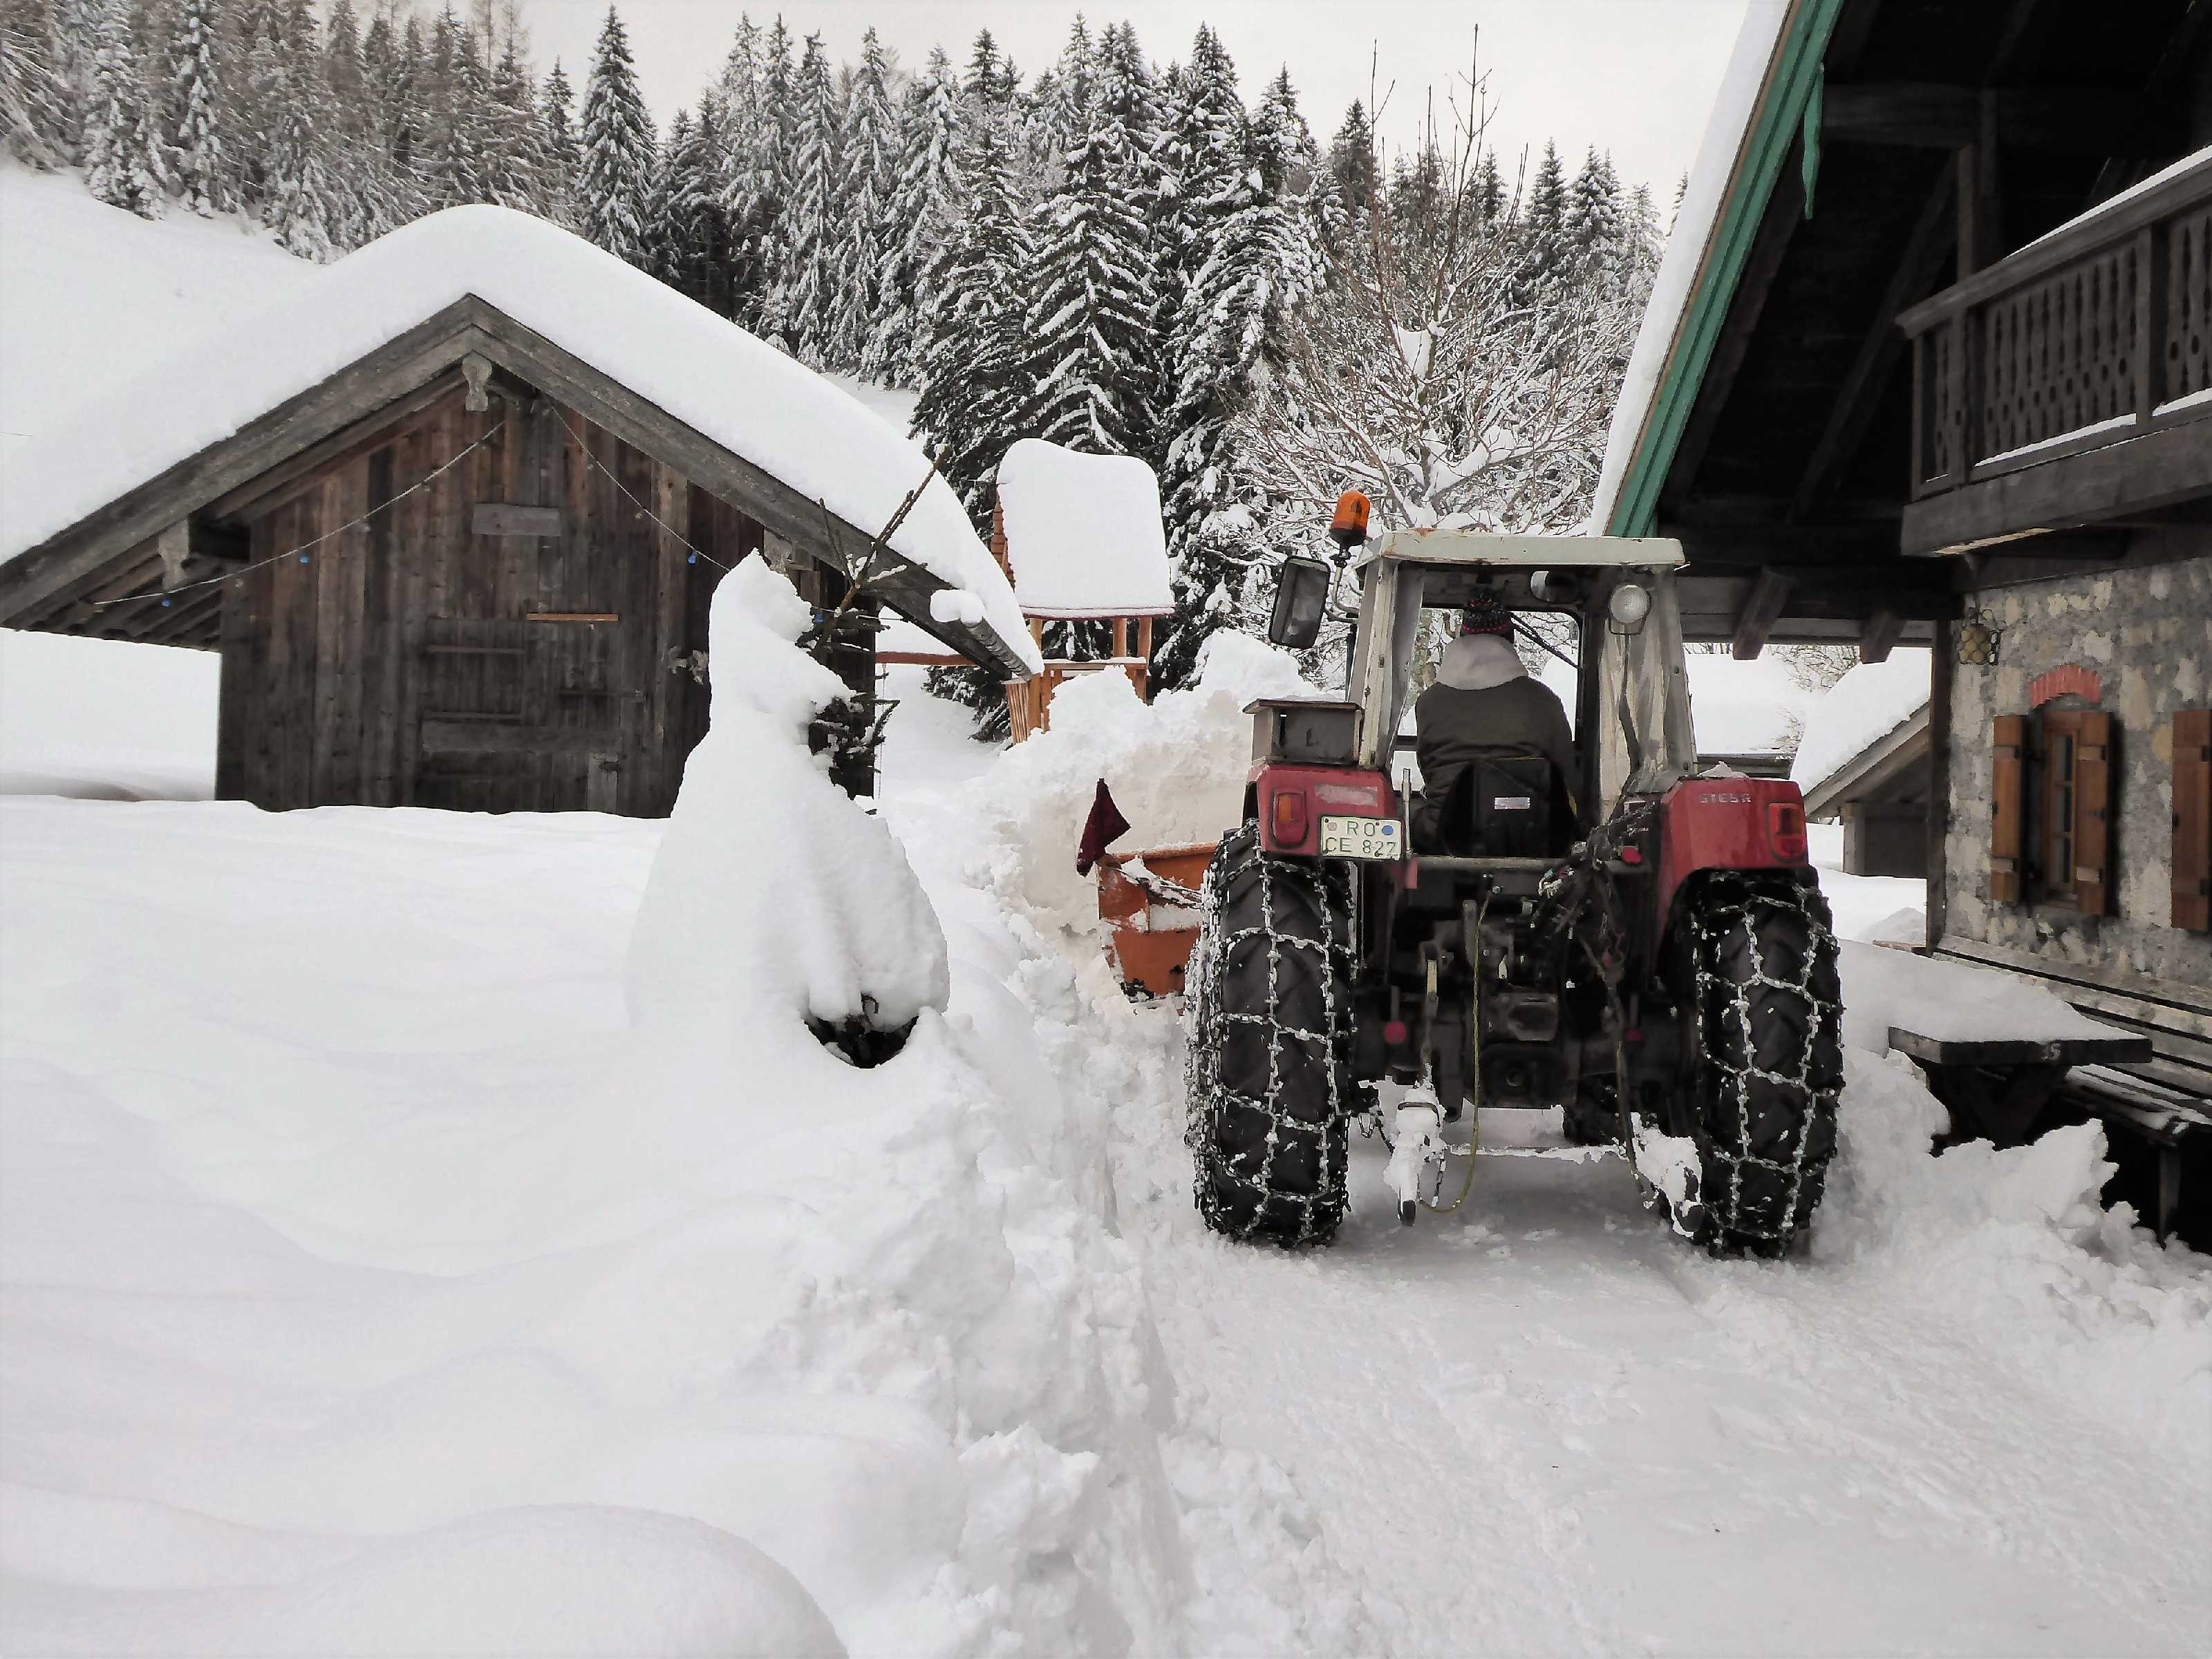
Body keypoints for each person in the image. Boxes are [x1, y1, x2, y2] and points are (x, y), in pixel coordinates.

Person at [1411, 590, 1579, 854]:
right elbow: (1566, 773)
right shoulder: (1543, 700)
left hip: (1446, 835)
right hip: (1533, 836)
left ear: (1462, 637)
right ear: (1510, 641)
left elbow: (1427, 767)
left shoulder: (1428, 702)